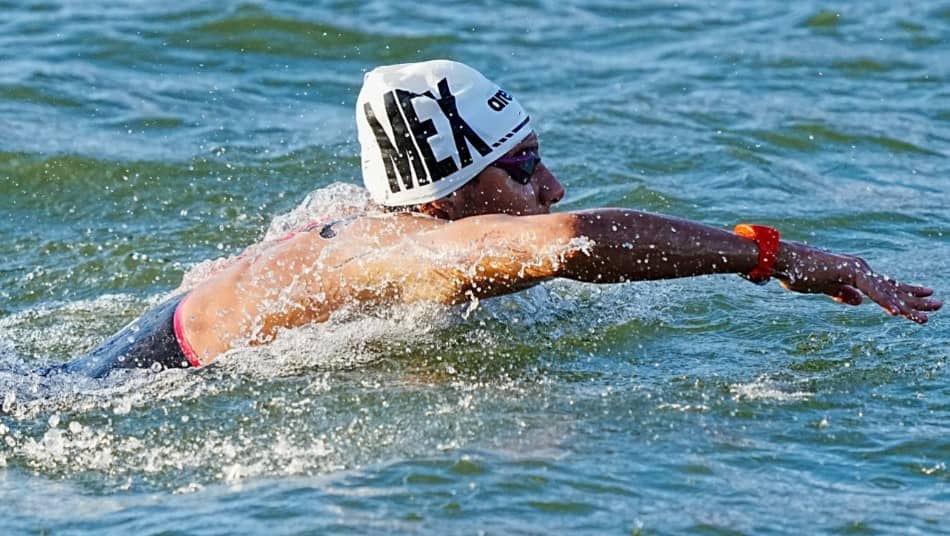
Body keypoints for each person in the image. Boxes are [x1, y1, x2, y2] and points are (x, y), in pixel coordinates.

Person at [51, 60, 941, 378]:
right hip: (92, 398)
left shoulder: (358, 222)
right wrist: (782, 259)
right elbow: (575, 241)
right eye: (518, 169)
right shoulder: (391, 250)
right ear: (444, 192)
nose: (550, 185)